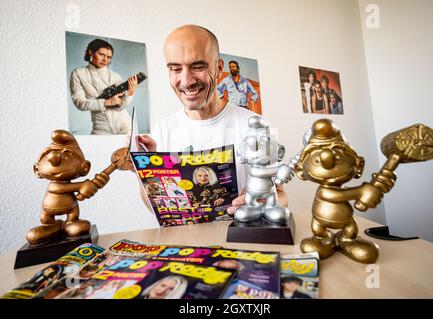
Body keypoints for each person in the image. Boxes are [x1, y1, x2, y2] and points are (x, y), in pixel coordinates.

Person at [137, 25, 288, 215]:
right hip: (184, 242)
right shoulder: (162, 129)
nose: (186, 81)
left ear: (218, 68)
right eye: (175, 68)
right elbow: (156, 206)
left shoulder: (258, 125)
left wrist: (262, 203)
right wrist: (142, 171)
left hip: (241, 238)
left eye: (198, 66)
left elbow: (281, 195)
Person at [70, 38, 138, 135]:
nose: (105, 59)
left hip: (125, 125)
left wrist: (130, 92)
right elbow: (80, 103)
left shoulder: (115, 76)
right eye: (101, 54)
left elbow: (120, 107)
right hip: (100, 128)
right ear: (91, 52)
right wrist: (106, 102)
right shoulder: (78, 74)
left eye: (109, 57)